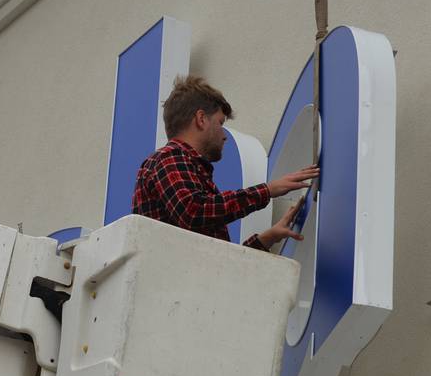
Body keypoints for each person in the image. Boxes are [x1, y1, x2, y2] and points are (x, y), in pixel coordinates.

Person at [132, 76, 318, 252]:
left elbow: (216, 262)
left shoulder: (181, 166)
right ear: (201, 119)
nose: (224, 135)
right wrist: (267, 190)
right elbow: (194, 211)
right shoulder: (168, 158)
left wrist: (268, 237)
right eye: (220, 123)